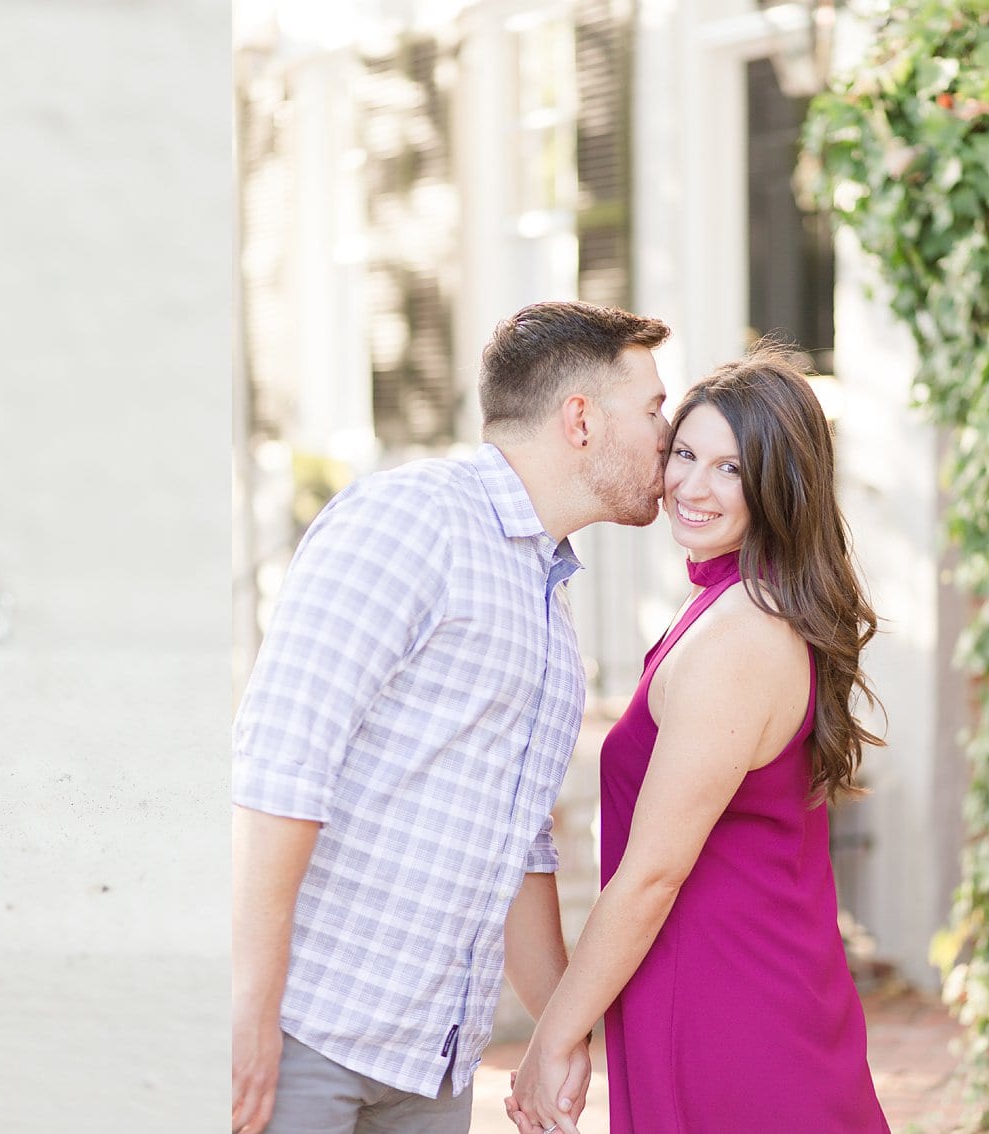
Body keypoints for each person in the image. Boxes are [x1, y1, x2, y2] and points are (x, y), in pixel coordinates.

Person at [231, 300, 673, 1134]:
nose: (666, 432)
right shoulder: (409, 521)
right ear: (580, 419)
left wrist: (556, 1029)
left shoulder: (545, 596)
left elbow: (518, 841)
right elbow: (280, 760)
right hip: (307, 1037)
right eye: (651, 409)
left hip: (431, 1065)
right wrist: (246, 1005)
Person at [507, 346, 889, 1134]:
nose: (690, 485)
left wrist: (554, 1035)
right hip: (730, 991)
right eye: (683, 452)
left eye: (729, 469)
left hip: (734, 1020)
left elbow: (650, 875)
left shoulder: (742, 635)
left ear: (778, 485)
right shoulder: (730, 607)